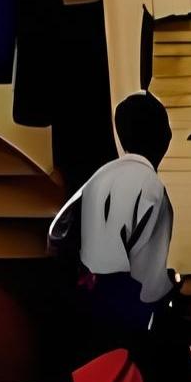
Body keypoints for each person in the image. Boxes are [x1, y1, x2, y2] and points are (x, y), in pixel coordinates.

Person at [51, 91, 177, 352]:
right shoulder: (150, 188)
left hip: (88, 308)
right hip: (120, 322)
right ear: (163, 136)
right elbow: (147, 283)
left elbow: (57, 233)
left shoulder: (101, 177)